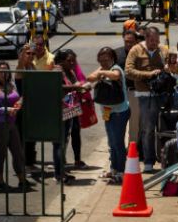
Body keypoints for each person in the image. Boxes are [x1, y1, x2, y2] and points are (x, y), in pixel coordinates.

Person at [125, 26, 178, 173]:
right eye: (151, 41)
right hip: (146, 95)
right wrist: (149, 74)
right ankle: (149, 162)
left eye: (157, 40)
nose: (154, 43)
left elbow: (171, 68)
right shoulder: (135, 50)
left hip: (166, 93)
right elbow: (128, 71)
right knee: (148, 128)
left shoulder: (163, 49)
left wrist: (170, 67)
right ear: (146, 38)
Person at [0, 61, 36, 193]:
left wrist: (20, 102)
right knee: (1, 154)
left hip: (12, 124)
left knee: (18, 153)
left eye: (7, 70)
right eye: (1, 70)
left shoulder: (11, 85)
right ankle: (0, 183)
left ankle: (21, 180)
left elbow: (18, 99)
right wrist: (5, 109)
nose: (5, 73)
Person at [86, 47, 130, 184]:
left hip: (119, 112)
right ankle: (114, 169)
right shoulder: (102, 69)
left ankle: (122, 171)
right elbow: (89, 78)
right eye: (101, 59)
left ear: (112, 58)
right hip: (108, 113)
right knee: (111, 143)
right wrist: (101, 71)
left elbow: (116, 75)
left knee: (118, 143)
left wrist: (103, 72)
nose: (104, 62)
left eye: (106, 59)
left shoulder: (116, 68)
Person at [52, 50, 89, 183]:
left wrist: (82, 87)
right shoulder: (56, 71)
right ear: (61, 61)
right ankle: (58, 174)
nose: (72, 63)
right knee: (59, 143)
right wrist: (76, 87)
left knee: (65, 141)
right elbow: (57, 87)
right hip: (58, 111)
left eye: (74, 60)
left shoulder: (70, 71)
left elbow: (75, 84)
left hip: (70, 110)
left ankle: (62, 171)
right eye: (69, 60)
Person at [114, 30, 141, 149]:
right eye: (126, 41)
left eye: (131, 42)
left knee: (134, 125)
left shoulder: (140, 54)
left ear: (136, 41)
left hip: (134, 92)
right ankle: (117, 151)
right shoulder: (116, 53)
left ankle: (131, 150)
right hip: (119, 94)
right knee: (118, 125)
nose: (128, 44)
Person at [14, 44, 38, 171]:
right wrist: (23, 52)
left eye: (33, 54)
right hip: (23, 108)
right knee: (23, 138)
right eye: (28, 53)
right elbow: (20, 64)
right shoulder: (21, 68)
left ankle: (30, 163)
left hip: (32, 107)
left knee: (31, 137)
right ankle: (23, 165)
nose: (31, 56)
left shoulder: (32, 66)